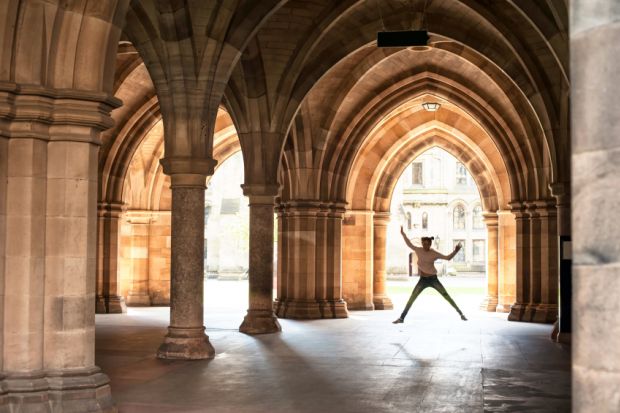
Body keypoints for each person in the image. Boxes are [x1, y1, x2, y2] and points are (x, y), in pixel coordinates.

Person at [393, 226, 467, 323]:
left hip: (433, 279)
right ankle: (401, 318)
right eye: (424, 244)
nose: (425, 246)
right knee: (412, 297)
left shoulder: (434, 253)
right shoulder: (418, 250)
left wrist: (456, 251)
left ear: (430, 244)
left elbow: (447, 258)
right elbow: (409, 244)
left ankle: (461, 314)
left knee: (446, 296)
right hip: (422, 280)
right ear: (422, 244)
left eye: (427, 244)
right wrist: (403, 234)